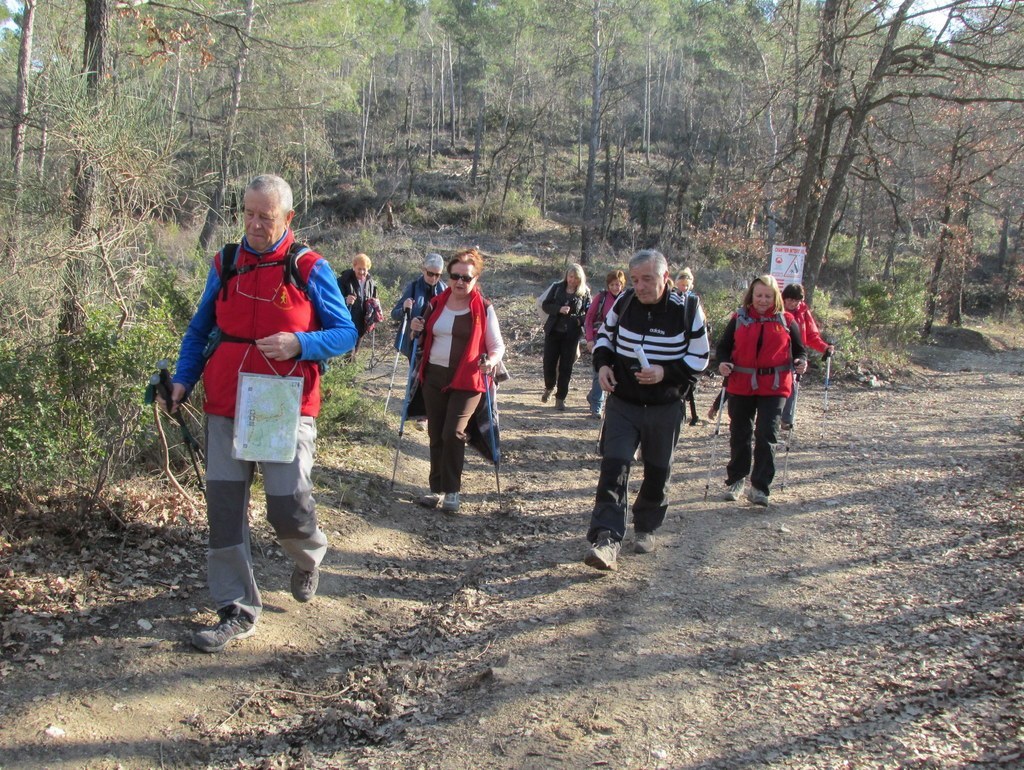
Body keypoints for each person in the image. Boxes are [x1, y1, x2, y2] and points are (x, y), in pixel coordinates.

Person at [161, 174, 358, 653]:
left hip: (283, 406)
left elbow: (346, 333)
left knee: (287, 506)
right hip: (226, 402)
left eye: (264, 217)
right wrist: (183, 380)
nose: (253, 224)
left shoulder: (309, 268)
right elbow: (199, 329)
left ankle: (309, 557)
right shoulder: (226, 262)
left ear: (288, 218)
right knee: (225, 512)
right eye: (247, 213)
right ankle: (237, 608)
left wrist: (301, 343)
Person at [584, 249, 710, 571]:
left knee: (657, 469)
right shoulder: (624, 303)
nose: (639, 286)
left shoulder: (688, 309)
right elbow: (603, 339)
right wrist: (602, 367)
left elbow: (700, 359)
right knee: (614, 466)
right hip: (623, 403)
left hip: (664, 406)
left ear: (665, 278)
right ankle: (606, 539)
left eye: (647, 279)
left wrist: (664, 373)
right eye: (636, 279)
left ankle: (647, 526)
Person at [410, 248, 505, 514]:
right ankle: (436, 489)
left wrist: (492, 360)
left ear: (476, 280)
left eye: (467, 278)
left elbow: (497, 345)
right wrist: (415, 328)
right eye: (455, 276)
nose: (460, 282)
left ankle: (452, 491)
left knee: (453, 432)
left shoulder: (483, 308)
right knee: (435, 433)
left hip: (468, 379)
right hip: (434, 377)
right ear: (448, 276)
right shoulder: (436, 303)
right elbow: (419, 335)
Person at [716, 275, 807, 507]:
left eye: (767, 296)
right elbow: (723, 347)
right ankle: (736, 480)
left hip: (774, 386)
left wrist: (800, 361)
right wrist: (723, 362)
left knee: (767, 434)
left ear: (775, 297)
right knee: (740, 433)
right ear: (751, 296)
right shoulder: (739, 318)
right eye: (759, 295)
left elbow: (800, 350)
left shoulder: (787, 320)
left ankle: (760, 487)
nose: (763, 300)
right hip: (741, 383)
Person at [780, 282, 834, 430]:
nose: (792, 303)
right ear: (784, 298)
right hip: (777, 353)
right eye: (789, 299)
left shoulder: (803, 312)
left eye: (796, 300)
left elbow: (811, 335)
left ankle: (786, 419)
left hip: (796, 354)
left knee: (793, 383)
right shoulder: (776, 310)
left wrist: (824, 347)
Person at [540, 263, 591, 411]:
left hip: (571, 334)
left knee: (566, 367)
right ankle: (549, 386)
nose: (572, 280)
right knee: (549, 363)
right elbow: (545, 305)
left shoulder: (584, 293)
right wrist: (559, 309)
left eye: (576, 278)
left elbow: (589, 313)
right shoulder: (557, 288)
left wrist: (578, 320)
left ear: (580, 279)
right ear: (566, 276)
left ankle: (561, 398)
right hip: (553, 331)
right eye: (570, 276)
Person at [583, 270, 625, 419]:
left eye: (618, 284)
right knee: (598, 372)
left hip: (620, 343)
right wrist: (589, 339)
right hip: (600, 340)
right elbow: (589, 319)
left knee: (614, 374)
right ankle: (596, 407)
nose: (615, 287)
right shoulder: (601, 298)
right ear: (608, 285)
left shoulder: (627, 299)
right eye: (612, 284)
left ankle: (594, 397)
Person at [391, 252, 447, 359]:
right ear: (423, 270)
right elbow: (394, 314)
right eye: (430, 274)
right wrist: (404, 309)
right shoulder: (412, 288)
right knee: (414, 375)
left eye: (437, 275)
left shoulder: (445, 291)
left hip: (436, 343)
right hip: (414, 342)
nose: (434, 278)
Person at [338, 253, 378, 353]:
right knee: (348, 352)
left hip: (362, 323)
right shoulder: (343, 280)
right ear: (354, 267)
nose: (361, 272)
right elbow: (333, 299)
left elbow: (375, 299)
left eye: (364, 269)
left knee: (355, 351)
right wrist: (345, 300)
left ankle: (351, 367)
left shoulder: (371, 283)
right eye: (359, 268)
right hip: (347, 322)